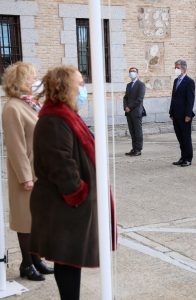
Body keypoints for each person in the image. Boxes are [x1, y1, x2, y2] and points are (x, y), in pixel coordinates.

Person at [30, 66, 116, 299]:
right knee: (67, 260)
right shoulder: (54, 119)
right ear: (65, 87)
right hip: (64, 206)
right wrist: (79, 193)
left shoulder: (64, 114)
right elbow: (61, 164)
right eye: (80, 84)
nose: (83, 88)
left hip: (68, 207)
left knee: (69, 259)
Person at [1, 62, 53, 281]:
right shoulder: (12, 107)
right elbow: (15, 146)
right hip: (26, 174)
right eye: (31, 77)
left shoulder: (31, 103)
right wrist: (25, 177)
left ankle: (36, 259)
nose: (35, 80)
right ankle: (26, 264)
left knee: (38, 219)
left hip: (39, 172)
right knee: (25, 220)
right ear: (20, 81)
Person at [169, 59, 195, 167]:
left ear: (184, 69)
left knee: (186, 137)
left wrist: (188, 115)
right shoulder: (176, 81)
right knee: (180, 137)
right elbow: (173, 97)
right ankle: (183, 157)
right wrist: (171, 112)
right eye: (175, 67)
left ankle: (188, 158)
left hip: (185, 115)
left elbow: (190, 99)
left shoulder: (189, 82)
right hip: (176, 114)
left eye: (178, 68)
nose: (176, 69)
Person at [123, 67, 146, 156]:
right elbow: (125, 97)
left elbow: (140, 99)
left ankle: (138, 149)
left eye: (134, 71)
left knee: (137, 131)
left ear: (137, 73)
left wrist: (130, 107)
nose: (132, 73)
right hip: (128, 112)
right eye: (130, 71)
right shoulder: (128, 85)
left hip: (136, 112)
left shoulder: (141, 85)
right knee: (132, 131)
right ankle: (134, 148)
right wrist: (125, 107)